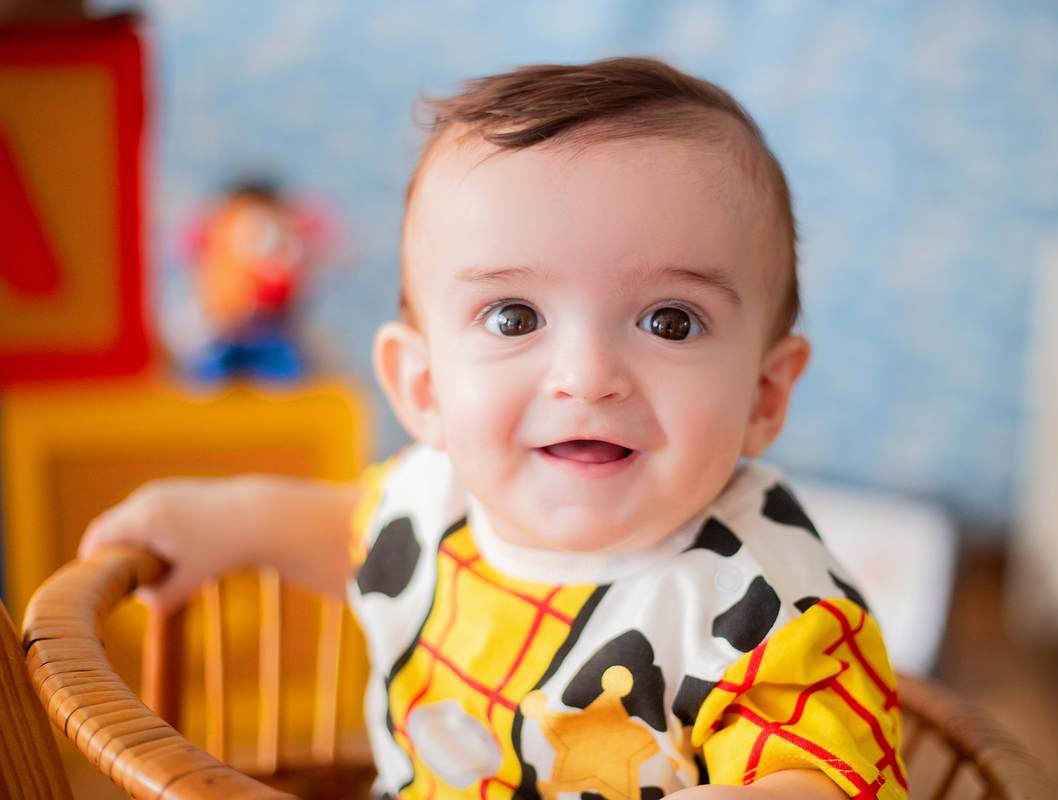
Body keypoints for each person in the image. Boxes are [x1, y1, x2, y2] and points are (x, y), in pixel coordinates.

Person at [81, 58, 906, 800]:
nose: (586, 376)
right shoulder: (433, 497)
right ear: (424, 388)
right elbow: (347, 531)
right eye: (514, 317)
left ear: (764, 395)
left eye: (671, 321)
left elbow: (819, 775)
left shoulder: (770, 605)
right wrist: (222, 520)